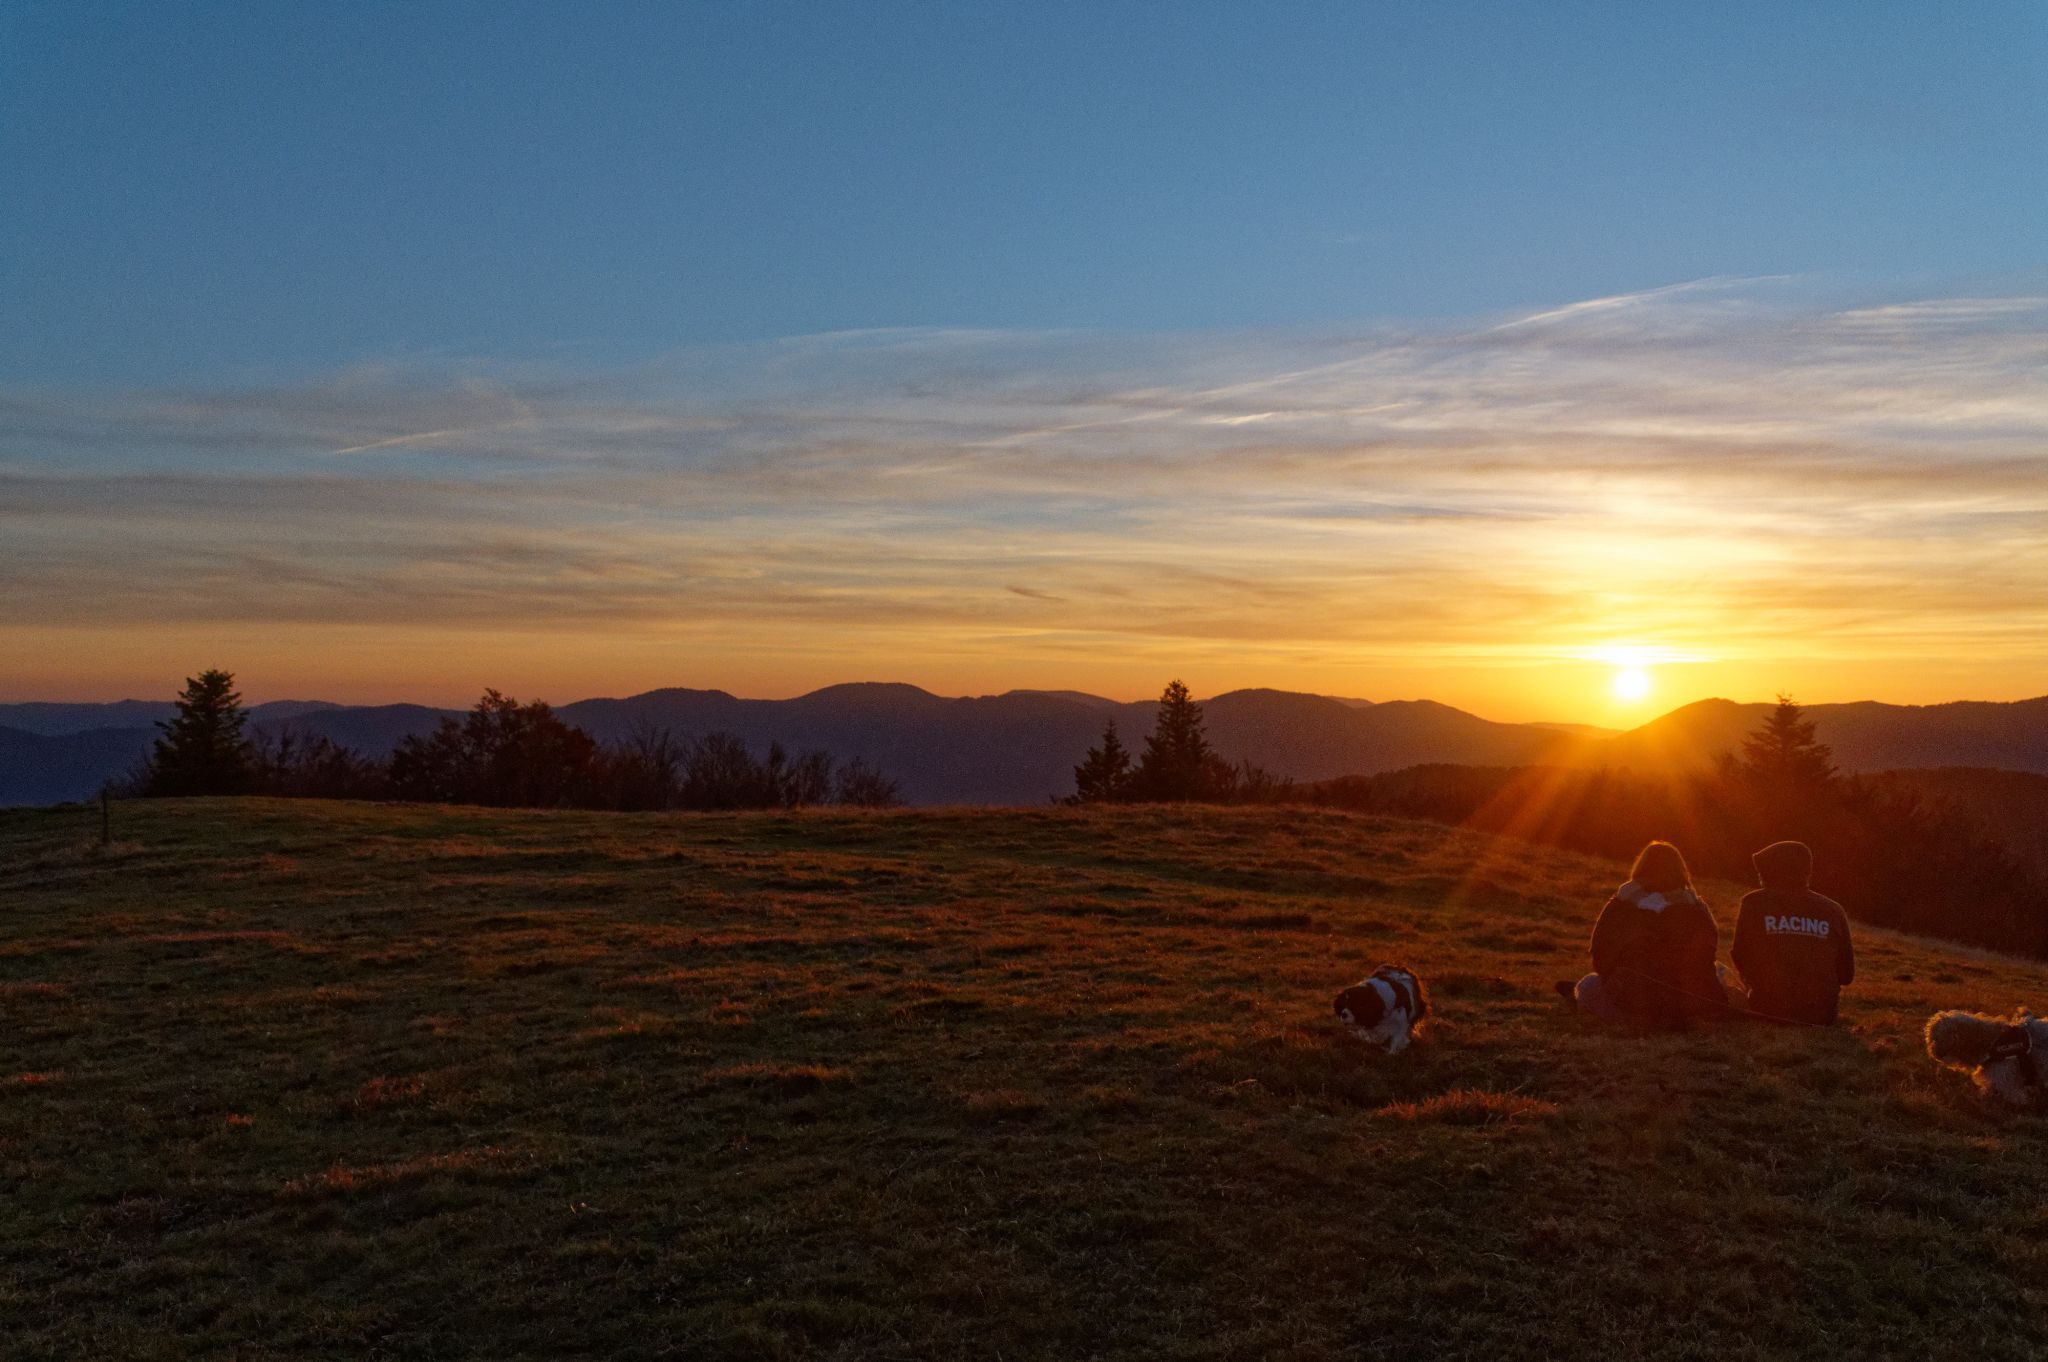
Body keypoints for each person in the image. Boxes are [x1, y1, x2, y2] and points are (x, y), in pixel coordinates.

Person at [1556, 840, 1732, 1027]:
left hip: (1638, 998)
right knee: (1721, 972)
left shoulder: (1622, 904)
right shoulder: (1696, 907)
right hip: (1692, 1000)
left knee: (1588, 985)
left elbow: (1600, 952)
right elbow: (1708, 953)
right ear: (1680, 870)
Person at [1732, 840, 1854, 1025]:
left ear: (1770, 872)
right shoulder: (1833, 910)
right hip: (1822, 1015)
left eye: (1761, 872)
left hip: (1767, 1009)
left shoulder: (1754, 903)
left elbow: (1740, 954)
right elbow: (1846, 975)